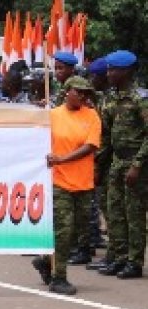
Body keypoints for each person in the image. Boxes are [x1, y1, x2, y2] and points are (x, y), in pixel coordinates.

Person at [31, 76, 100, 295]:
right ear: (66, 91)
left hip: (83, 183)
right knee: (64, 230)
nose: (81, 96)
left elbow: (90, 146)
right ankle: (59, 277)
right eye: (77, 91)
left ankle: (46, 261)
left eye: (85, 92)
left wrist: (62, 158)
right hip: (59, 182)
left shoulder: (92, 116)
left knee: (79, 232)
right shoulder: (52, 116)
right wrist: (36, 111)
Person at [95, 50, 146, 279]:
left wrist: (137, 165)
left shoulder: (140, 98)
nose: (109, 73)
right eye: (108, 69)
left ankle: (135, 262)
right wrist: (98, 165)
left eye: (113, 69)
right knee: (114, 211)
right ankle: (120, 256)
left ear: (126, 71)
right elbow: (105, 135)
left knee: (133, 214)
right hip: (116, 160)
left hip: (137, 161)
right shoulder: (110, 98)